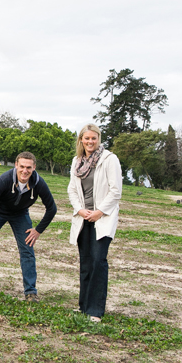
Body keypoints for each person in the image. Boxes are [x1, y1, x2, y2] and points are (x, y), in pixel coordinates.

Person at [0, 151, 57, 301]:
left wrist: (38, 230)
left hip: (20, 214)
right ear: (16, 165)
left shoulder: (38, 182)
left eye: (28, 167)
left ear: (34, 167)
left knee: (27, 249)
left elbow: (52, 208)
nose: (25, 171)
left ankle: (30, 292)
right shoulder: (5, 179)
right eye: (22, 166)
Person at [67, 124, 122, 323]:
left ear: (99, 139)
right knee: (86, 262)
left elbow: (115, 191)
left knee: (98, 261)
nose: (90, 142)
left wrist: (99, 212)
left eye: (94, 138)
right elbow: (72, 190)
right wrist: (80, 210)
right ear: (81, 140)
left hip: (102, 218)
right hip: (84, 218)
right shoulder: (77, 161)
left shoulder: (109, 159)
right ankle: (84, 306)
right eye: (87, 138)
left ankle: (95, 310)